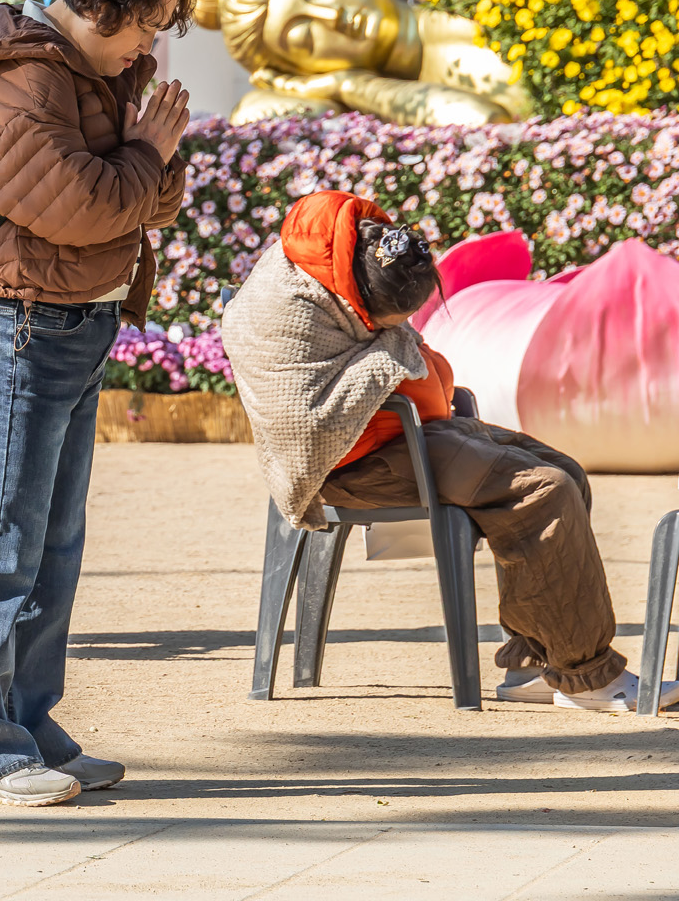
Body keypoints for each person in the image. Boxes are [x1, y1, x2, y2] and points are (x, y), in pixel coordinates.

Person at [0, 0, 196, 806]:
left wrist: (146, 160)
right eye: (146, 22)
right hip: (20, 326)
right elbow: (85, 205)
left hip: (69, 324)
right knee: (4, 537)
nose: (150, 43)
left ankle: (29, 721)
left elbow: (146, 206)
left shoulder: (88, 78)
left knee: (54, 542)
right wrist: (149, 151)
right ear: (104, 2)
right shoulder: (28, 82)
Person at [221, 190, 676, 712]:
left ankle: (537, 662)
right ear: (357, 293)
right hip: (345, 461)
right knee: (542, 493)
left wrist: (398, 349)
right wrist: (396, 354)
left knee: (563, 470)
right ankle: (589, 676)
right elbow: (306, 419)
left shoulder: (347, 259)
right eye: (394, 317)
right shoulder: (288, 309)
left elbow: (410, 367)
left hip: (404, 434)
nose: (403, 327)